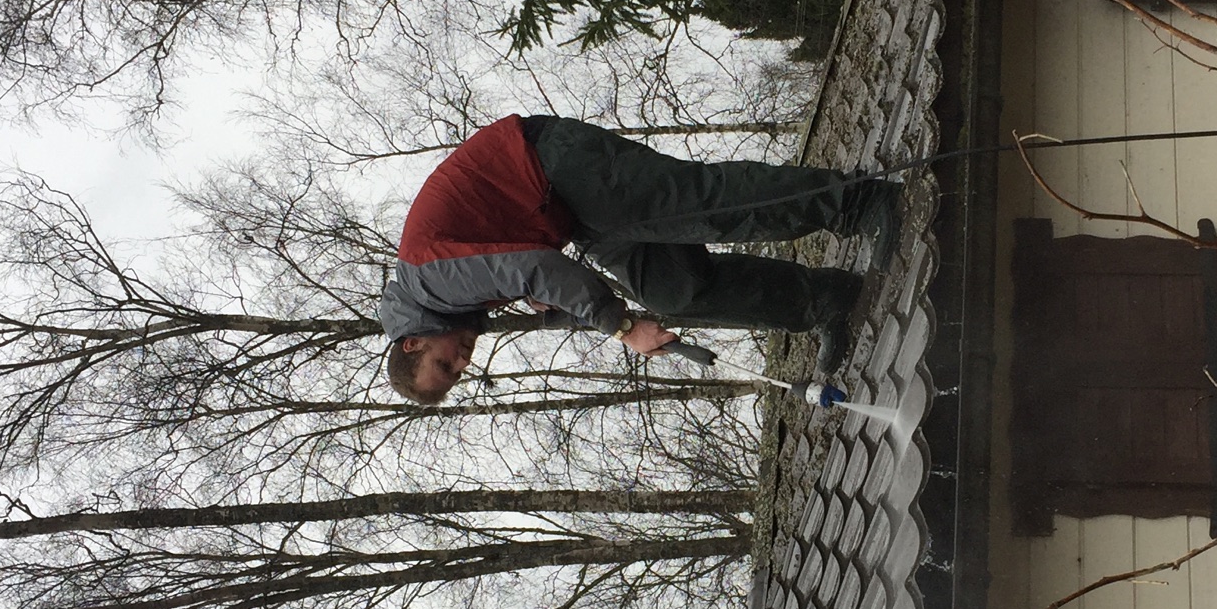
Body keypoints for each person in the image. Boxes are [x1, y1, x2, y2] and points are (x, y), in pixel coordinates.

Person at [379, 114, 904, 405]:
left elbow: (536, 267)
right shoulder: (442, 301)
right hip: (567, 215)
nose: (463, 362)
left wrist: (620, 324)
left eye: (444, 364)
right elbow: (530, 269)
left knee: (705, 204)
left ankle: (859, 201)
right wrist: (590, 311)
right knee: (674, 290)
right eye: (457, 374)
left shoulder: (427, 283)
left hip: (554, 165)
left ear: (414, 342)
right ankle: (828, 301)